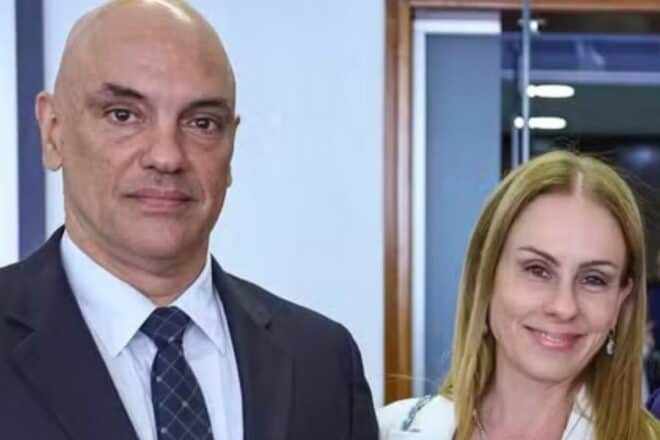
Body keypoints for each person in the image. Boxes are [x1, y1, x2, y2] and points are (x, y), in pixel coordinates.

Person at [0, 1, 378, 439]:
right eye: (124, 115)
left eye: (202, 123)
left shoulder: (323, 361)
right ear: (53, 131)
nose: (167, 156)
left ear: (231, 145)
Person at [378, 151, 660, 439]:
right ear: (485, 278)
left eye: (593, 279)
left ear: (621, 300)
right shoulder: (384, 430)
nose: (564, 307)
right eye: (537, 270)